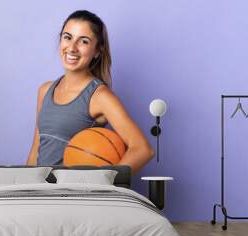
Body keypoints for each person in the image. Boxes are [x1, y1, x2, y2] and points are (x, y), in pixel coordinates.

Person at [27, 10, 154, 173]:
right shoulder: (45, 90)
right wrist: (26, 188)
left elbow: (143, 149)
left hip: (74, 195)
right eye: (67, 37)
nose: (72, 48)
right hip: (42, 193)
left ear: (97, 51)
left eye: (84, 41)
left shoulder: (99, 96)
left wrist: (105, 185)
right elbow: (35, 150)